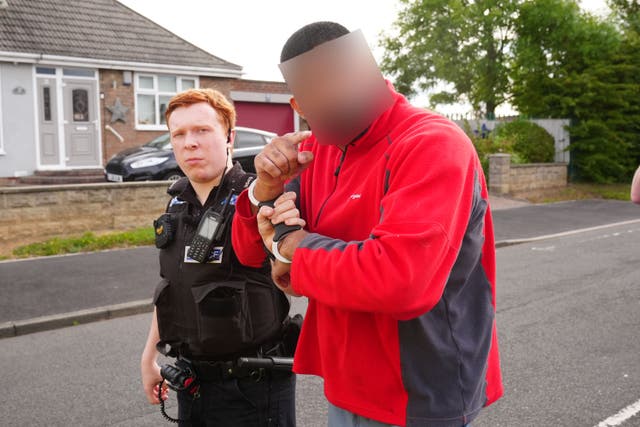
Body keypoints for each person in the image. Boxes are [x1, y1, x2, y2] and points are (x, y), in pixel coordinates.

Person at [232, 22, 503, 427]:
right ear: (299, 106)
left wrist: (293, 250)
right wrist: (266, 187)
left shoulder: (431, 143)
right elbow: (249, 251)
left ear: (371, 74)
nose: (336, 99)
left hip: (420, 391)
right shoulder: (315, 149)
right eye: (317, 94)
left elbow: (400, 280)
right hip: (347, 382)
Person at [140, 88, 296, 427]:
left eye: (201, 130)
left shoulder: (258, 200)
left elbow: (295, 277)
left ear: (229, 136)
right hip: (192, 385)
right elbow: (171, 287)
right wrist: (149, 357)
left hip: (253, 389)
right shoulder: (176, 204)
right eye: (178, 134)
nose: (189, 142)